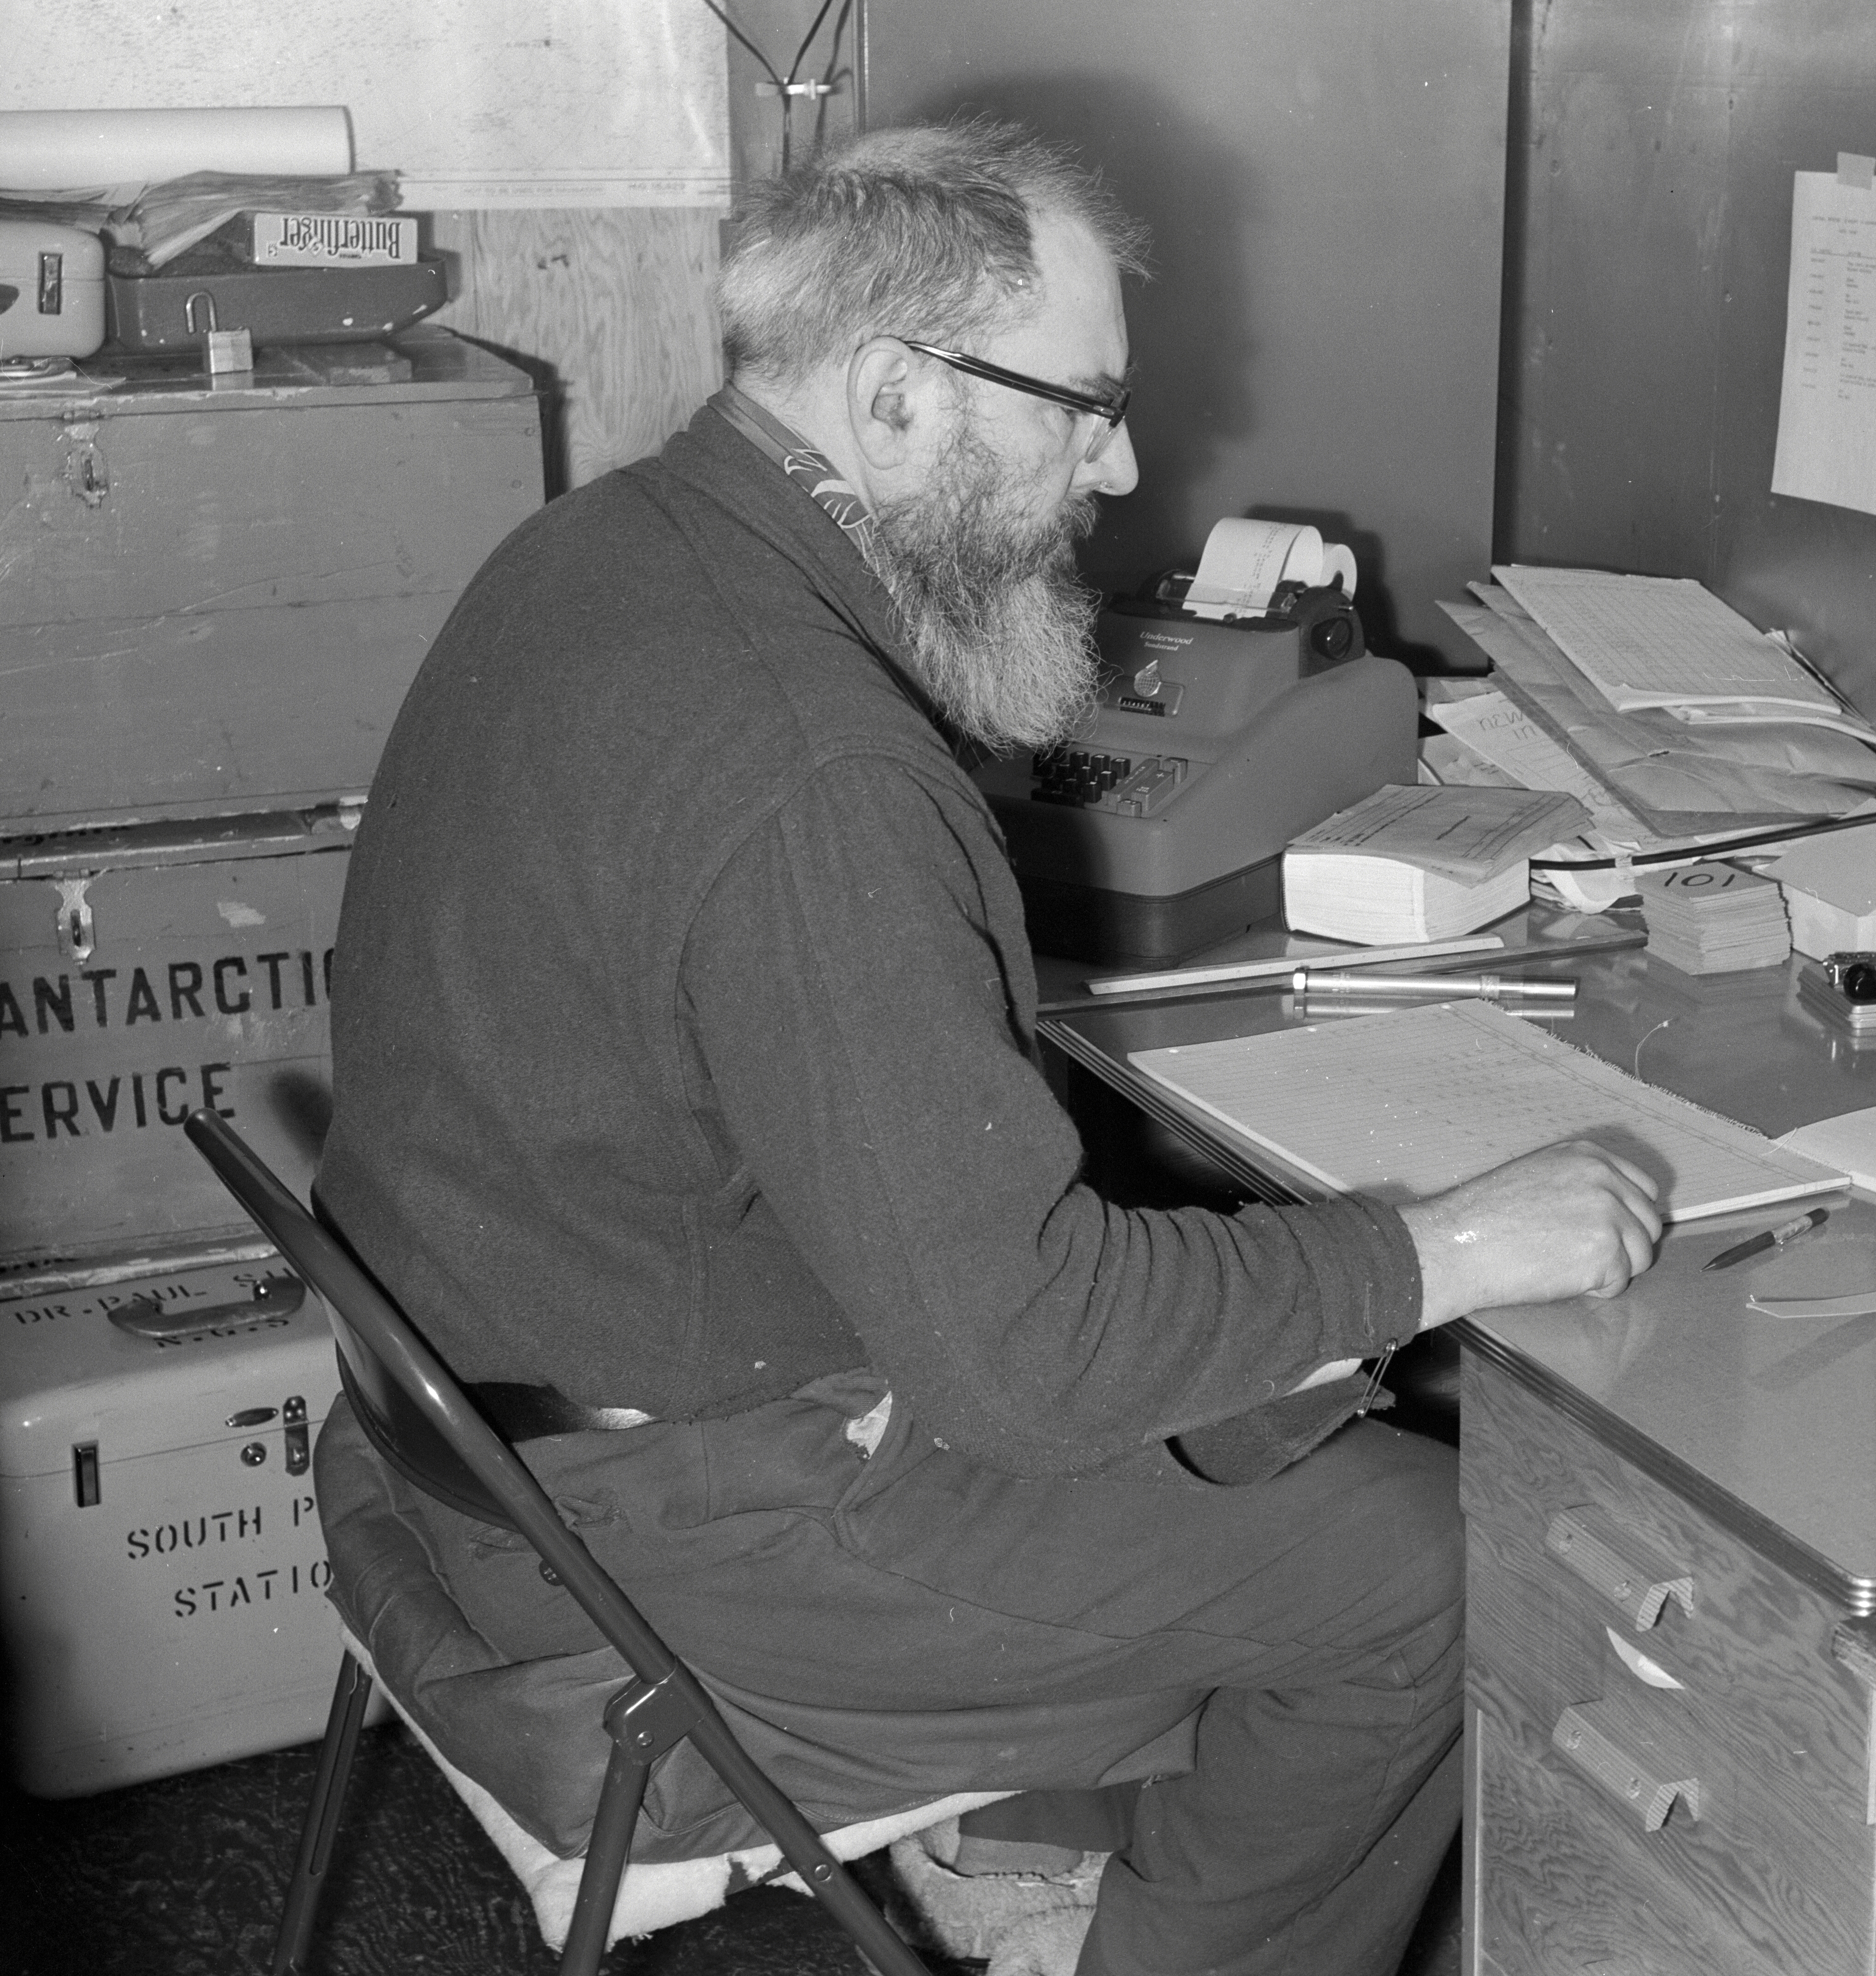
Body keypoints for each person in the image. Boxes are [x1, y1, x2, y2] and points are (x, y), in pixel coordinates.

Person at [313, 120, 1661, 1975]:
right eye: (1081, 408)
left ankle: (1036, 1855)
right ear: (891, 400)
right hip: (670, 1524)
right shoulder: (814, 764)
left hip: (497, 1409)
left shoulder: (600, 552)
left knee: (1263, 1402)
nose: (1117, 466)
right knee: (1433, 1567)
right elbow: (1023, 1359)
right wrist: (1452, 1245)